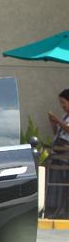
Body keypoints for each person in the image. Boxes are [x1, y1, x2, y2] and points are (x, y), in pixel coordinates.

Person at [44, 89, 69, 219]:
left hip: (66, 157)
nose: (62, 105)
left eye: (63, 102)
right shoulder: (65, 116)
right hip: (58, 155)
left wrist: (57, 120)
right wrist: (53, 123)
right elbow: (57, 133)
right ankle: (55, 208)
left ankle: (63, 210)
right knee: (56, 182)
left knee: (63, 184)